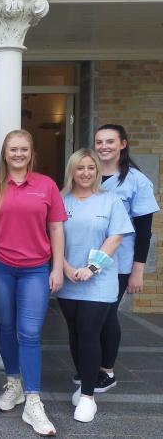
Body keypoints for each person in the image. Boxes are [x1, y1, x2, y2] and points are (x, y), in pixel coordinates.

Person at [0, 129, 66, 436]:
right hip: (0, 268)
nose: (18, 154)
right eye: (13, 149)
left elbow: (57, 229)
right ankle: (14, 385)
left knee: (30, 332)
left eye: (24, 149)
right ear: (5, 153)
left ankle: (33, 402)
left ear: (31, 152)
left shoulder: (46, 185)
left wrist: (57, 268)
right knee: (6, 328)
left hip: (36, 269)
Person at [57, 149, 133, 422]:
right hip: (68, 280)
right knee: (76, 333)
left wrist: (91, 268)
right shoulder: (60, 200)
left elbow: (115, 238)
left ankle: (88, 396)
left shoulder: (110, 201)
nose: (86, 173)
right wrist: (66, 268)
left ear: (97, 171)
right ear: (72, 171)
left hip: (98, 281)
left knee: (89, 332)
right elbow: (53, 237)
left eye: (91, 168)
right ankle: (85, 381)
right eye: (80, 168)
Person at [88, 124, 159, 392]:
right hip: (89, 259)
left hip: (120, 261)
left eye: (110, 141)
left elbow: (144, 232)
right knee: (91, 315)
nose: (104, 146)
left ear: (123, 144)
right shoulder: (88, 173)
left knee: (106, 315)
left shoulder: (137, 181)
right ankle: (89, 365)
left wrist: (137, 271)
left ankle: (106, 371)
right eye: (99, 141)